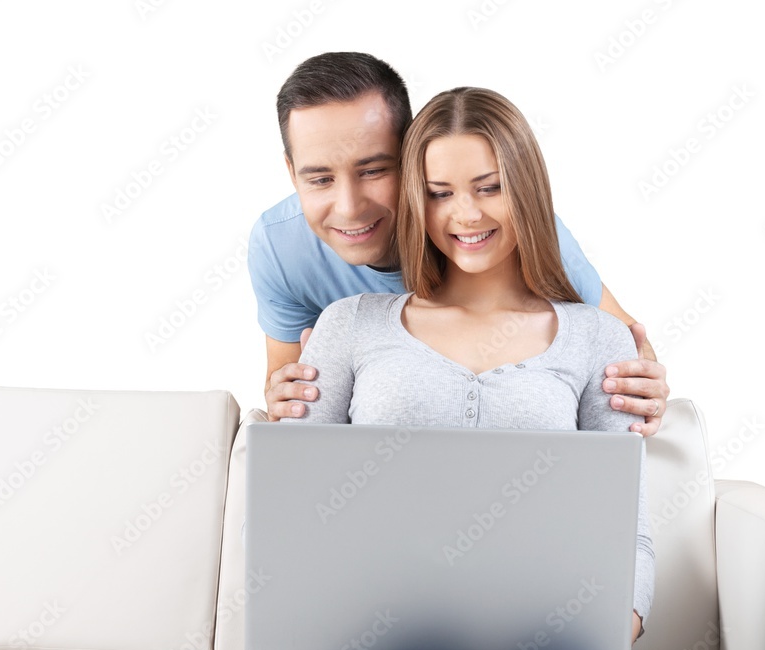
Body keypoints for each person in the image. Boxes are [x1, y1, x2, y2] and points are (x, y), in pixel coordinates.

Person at [268, 86, 653, 650]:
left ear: (526, 188)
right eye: (440, 193)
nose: (465, 214)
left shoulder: (597, 339)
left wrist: (622, 618)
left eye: (489, 186)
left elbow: (625, 524)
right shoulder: (349, 326)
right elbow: (294, 515)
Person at [249, 51, 670, 434]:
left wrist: (645, 387)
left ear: (411, 157)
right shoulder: (281, 247)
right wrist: (282, 398)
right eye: (320, 178)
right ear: (292, 172)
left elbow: (623, 350)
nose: (349, 207)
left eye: (374, 170)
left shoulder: (514, 232)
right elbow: (290, 409)